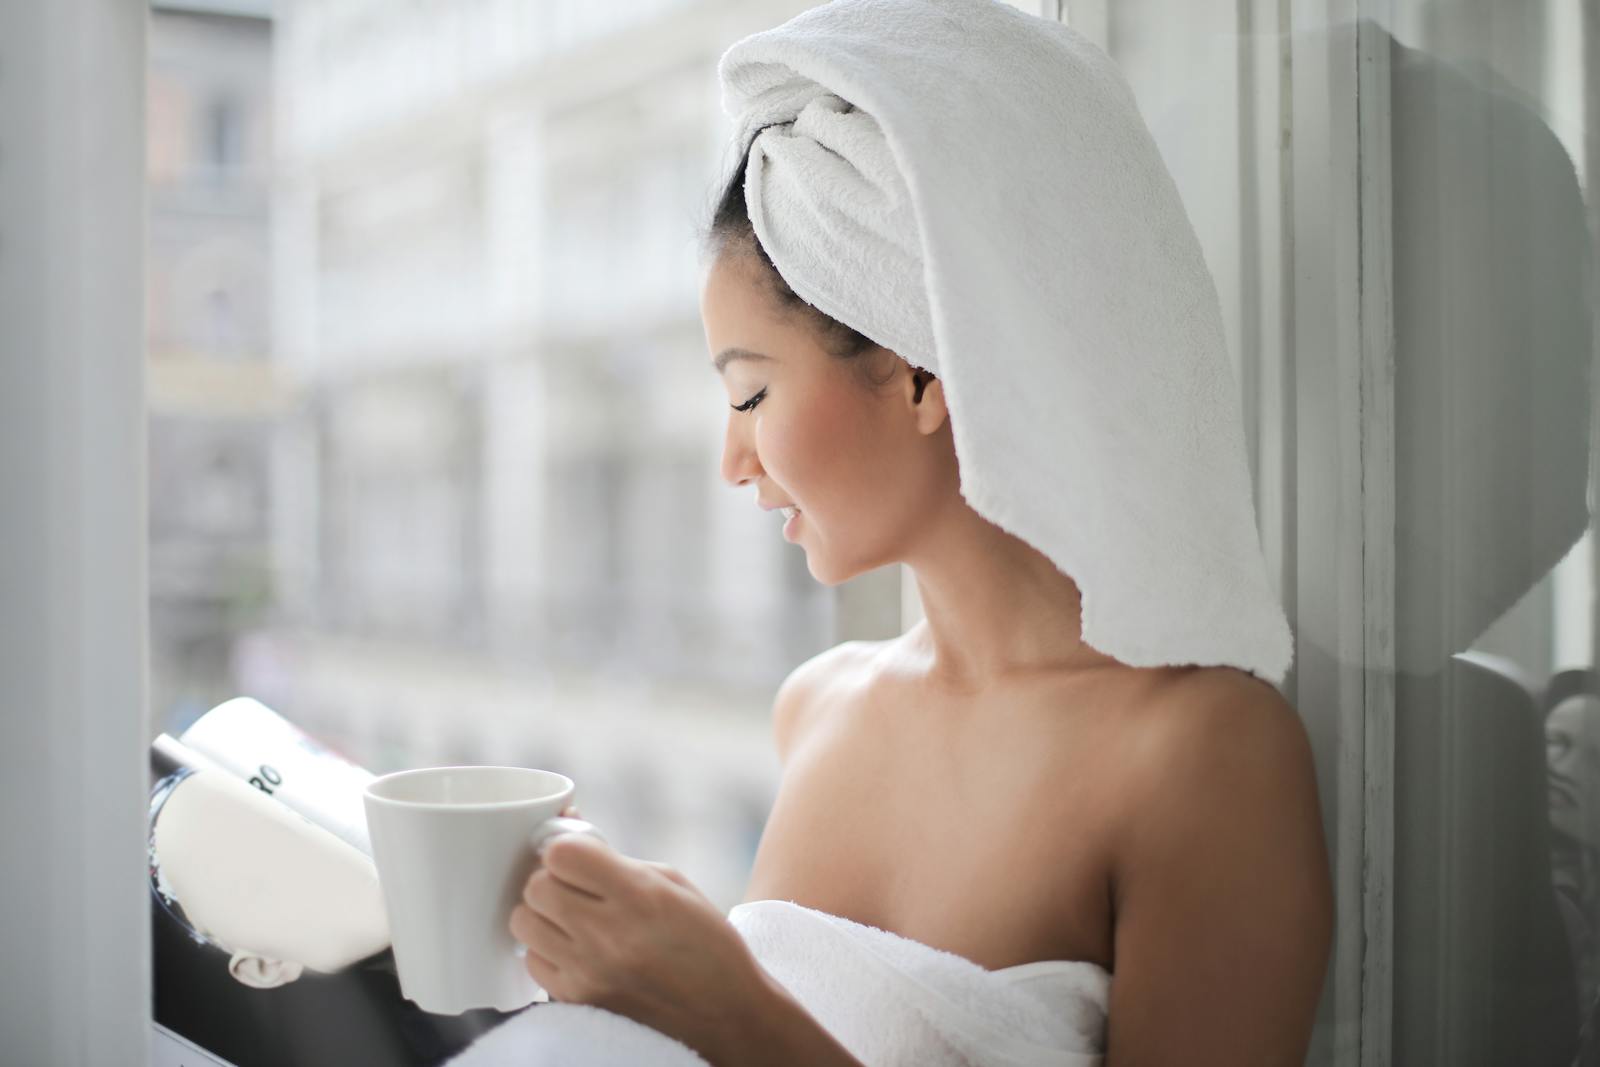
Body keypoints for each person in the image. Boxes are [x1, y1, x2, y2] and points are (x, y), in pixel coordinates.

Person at [504, 3, 1334, 1064]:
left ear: (917, 371)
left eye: (750, 394)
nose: (732, 459)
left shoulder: (1199, 754)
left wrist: (727, 1007)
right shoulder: (818, 706)